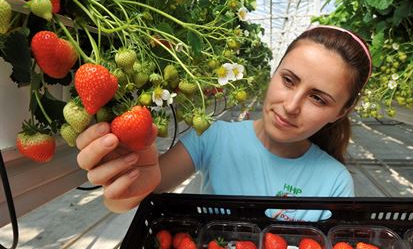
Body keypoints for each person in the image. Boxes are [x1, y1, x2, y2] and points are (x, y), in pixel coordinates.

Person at [76, 25, 372, 221]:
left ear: (341, 112)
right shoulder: (215, 137)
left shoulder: (335, 182)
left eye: (318, 99)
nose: (291, 106)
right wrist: (124, 190)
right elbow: (132, 196)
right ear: (274, 73)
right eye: (288, 80)